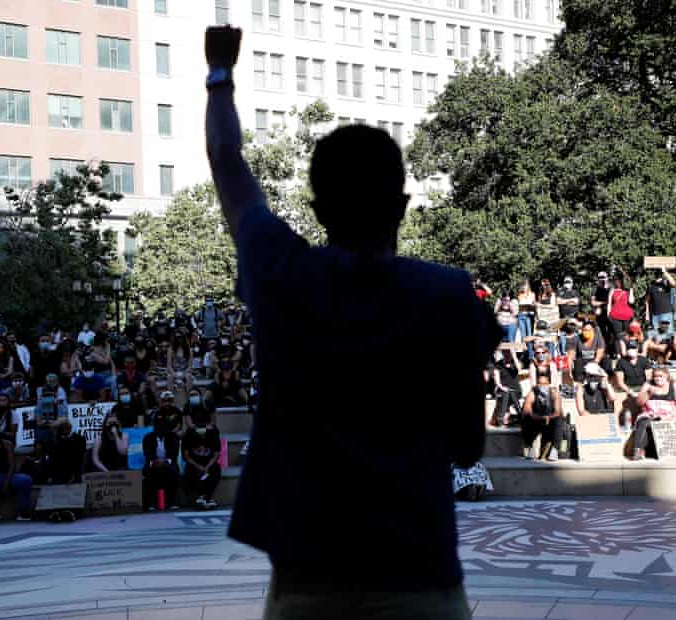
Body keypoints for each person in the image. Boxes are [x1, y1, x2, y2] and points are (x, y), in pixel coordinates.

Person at [205, 25, 497, 620]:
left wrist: (220, 75)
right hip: (420, 577)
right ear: (402, 205)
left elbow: (227, 161)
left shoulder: (279, 272)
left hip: (307, 579)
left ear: (317, 209)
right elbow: (467, 442)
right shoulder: (448, 294)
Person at [632, 367, 676, 460]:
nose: (658, 378)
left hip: (670, 414)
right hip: (650, 414)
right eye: (655, 376)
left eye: (660, 376)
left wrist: (670, 416)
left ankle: (660, 451)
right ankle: (638, 451)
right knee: (644, 422)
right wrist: (648, 393)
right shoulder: (648, 385)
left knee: (659, 423)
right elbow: (639, 402)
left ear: (667, 376)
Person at [519, 368, 565, 461]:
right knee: (526, 418)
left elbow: (557, 411)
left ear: (549, 384)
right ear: (536, 384)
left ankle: (555, 450)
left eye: (544, 384)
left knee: (559, 419)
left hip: (551, 421)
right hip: (537, 420)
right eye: (540, 384)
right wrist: (538, 417)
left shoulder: (554, 392)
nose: (542, 386)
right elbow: (526, 409)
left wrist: (548, 417)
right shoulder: (533, 392)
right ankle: (530, 447)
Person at [182, 411, 222, 509]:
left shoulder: (214, 432)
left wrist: (207, 466)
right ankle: (201, 498)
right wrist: (198, 466)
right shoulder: (189, 433)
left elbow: (216, 454)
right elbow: (186, 456)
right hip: (194, 463)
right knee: (191, 472)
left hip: (209, 463)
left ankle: (206, 498)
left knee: (216, 470)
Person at [143, 409, 181, 510]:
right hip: (153, 463)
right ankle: (151, 503)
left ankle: (171, 502)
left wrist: (164, 462)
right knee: (149, 472)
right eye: (157, 423)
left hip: (168, 462)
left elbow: (174, 454)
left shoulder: (173, 437)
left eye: (162, 423)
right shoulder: (147, 438)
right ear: (154, 424)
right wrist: (155, 461)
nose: (160, 425)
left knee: (173, 471)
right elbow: (147, 454)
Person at [492, 346, 523, 427]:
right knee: (507, 392)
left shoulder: (515, 362)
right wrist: (502, 387)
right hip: (502, 390)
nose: (507, 353)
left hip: (516, 390)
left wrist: (514, 355)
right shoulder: (498, 364)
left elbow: (519, 369)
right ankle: (520, 415)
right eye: (505, 351)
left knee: (510, 392)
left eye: (509, 352)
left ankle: (500, 419)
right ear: (502, 352)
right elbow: (497, 382)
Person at [607, 271, 636, 355]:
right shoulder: (612, 291)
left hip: (627, 316)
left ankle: (627, 352)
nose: (617, 282)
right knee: (618, 336)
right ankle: (619, 354)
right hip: (615, 316)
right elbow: (609, 303)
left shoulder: (627, 291)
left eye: (619, 280)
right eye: (616, 280)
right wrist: (608, 314)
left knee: (627, 335)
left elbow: (631, 301)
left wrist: (631, 289)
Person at [516, 282, 535, 346]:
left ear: (528, 286)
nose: (524, 287)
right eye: (523, 286)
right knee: (523, 335)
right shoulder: (519, 295)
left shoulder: (532, 294)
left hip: (528, 316)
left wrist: (532, 306)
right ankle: (524, 352)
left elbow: (534, 305)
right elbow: (518, 305)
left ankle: (530, 353)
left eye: (526, 286)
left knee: (529, 335)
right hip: (521, 315)